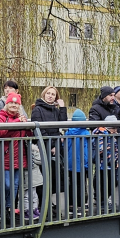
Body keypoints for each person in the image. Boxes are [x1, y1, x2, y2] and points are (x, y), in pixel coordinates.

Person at [0, 92, 32, 224]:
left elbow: (28, 133)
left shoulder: (21, 117)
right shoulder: (1, 115)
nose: (13, 105)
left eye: (16, 103)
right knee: (7, 184)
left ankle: (9, 209)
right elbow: (0, 132)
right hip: (5, 155)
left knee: (15, 185)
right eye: (11, 102)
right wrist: (17, 121)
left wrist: (27, 124)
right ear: (7, 104)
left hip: (19, 155)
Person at [30, 85, 67, 215]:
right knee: (42, 177)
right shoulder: (38, 109)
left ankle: (48, 203)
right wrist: (51, 145)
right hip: (43, 148)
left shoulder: (56, 111)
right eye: (48, 93)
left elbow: (62, 125)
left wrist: (62, 108)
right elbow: (40, 129)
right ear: (44, 94)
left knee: (53, 177)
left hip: (55, 147)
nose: (50, 96)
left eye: (53, 94)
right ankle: (42, 204)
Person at [91, 115, 120, 215]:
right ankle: (102, 202)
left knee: (112, 182)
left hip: (113, 163)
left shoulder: (113, 134)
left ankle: (105, 200)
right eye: (113, 127)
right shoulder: (101, 133)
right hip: (103, 164)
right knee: (103, 182)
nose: (115, 129)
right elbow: (101, 148)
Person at [64, 109, 90, 217]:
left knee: (71, 184)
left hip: (70, 164)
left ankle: (71, 206)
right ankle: (80, 206)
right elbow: (87, 149)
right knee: (81, 184)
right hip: (81, 164)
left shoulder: (68, 132)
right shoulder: (86, 133)